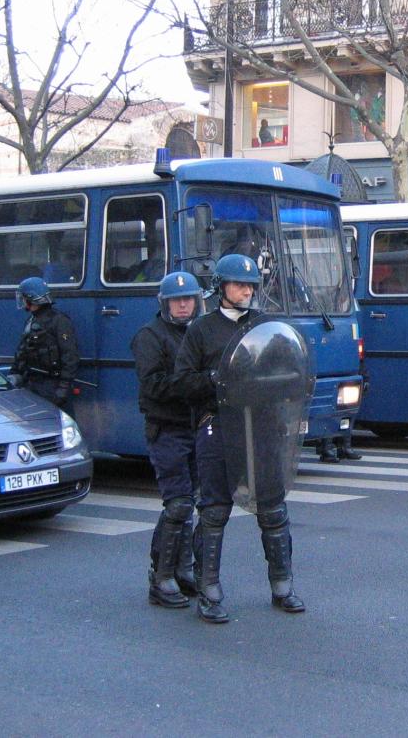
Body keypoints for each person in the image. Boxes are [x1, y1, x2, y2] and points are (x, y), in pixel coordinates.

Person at [173, 254, 306, 623]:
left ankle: (283, 586)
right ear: (221, 287)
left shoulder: (264, 325)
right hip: (218, 425)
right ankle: (209, 591)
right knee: (214, 511)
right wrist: (218, 379)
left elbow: (286, 370)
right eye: (239, 284)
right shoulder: (201, 330)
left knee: (274, 508)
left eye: (250, 285)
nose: (246, 291)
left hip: (261, 425)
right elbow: (182, 381)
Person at [131, 271, 204, 609]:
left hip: (196, 427)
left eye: (188, 298)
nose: (183, 304)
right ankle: (161, 577)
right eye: (177, 300)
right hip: (167, 428)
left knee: (191, 501)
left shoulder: (198, 333)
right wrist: (194, 384)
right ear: (164, 303)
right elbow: (153, 385)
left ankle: (184, 570)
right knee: (178, 503)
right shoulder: (150, 336)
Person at [11, 276, 80, 413]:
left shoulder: (59, 321)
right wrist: (15, 374)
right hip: (31, 383)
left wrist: (64, 387)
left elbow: (70, 355)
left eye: (24, 298)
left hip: (52, 385)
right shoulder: (31, 321)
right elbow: (22, 352)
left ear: (31, 298)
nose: (23, 302)